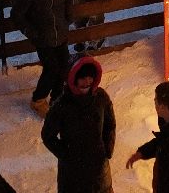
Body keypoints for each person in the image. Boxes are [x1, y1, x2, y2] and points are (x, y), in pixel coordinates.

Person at [43, 56, 117, 193]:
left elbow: (110, 123)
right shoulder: (62, 105)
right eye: (82, 78)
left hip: (99, 170)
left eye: (90, 77)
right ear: (73, 78)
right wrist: (66, 154)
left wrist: (107, 147)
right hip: (72, 173)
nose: (87, 82)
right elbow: (47, 135)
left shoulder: (101, 98)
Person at [10, 0, 72, 111]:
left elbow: (68, 1)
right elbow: (16, 15)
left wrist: (68, 18)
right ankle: (38, 100)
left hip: (61, 34)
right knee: (51, 69)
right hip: (42, 38)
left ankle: (58, 97)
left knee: (64, 67)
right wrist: (31, 32)